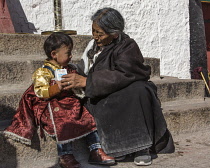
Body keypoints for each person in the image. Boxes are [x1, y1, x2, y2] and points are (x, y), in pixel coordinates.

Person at [61, 7, 175, 166]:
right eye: (93, 31)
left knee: (140, 90)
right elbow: (84, 69)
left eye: (100, 33)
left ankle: (142, 148)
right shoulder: (92, 47)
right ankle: (121, 149)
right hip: (101, 92)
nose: (95, 36)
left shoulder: (127, 46)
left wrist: (88, 81)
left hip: (124, 91)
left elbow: (126, 73)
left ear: (114, 33)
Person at [3, 32, 115, 168]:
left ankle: (95, 149)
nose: (71, 56)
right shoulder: (43, 72)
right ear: (54, 54)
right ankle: (65, 155)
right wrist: (57, 87)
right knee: (62, 122)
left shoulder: (69, 69)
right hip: (52, 106)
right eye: (68, 53)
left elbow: (77, 89)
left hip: (70, 103)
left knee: (87, 116)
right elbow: (40, 92)